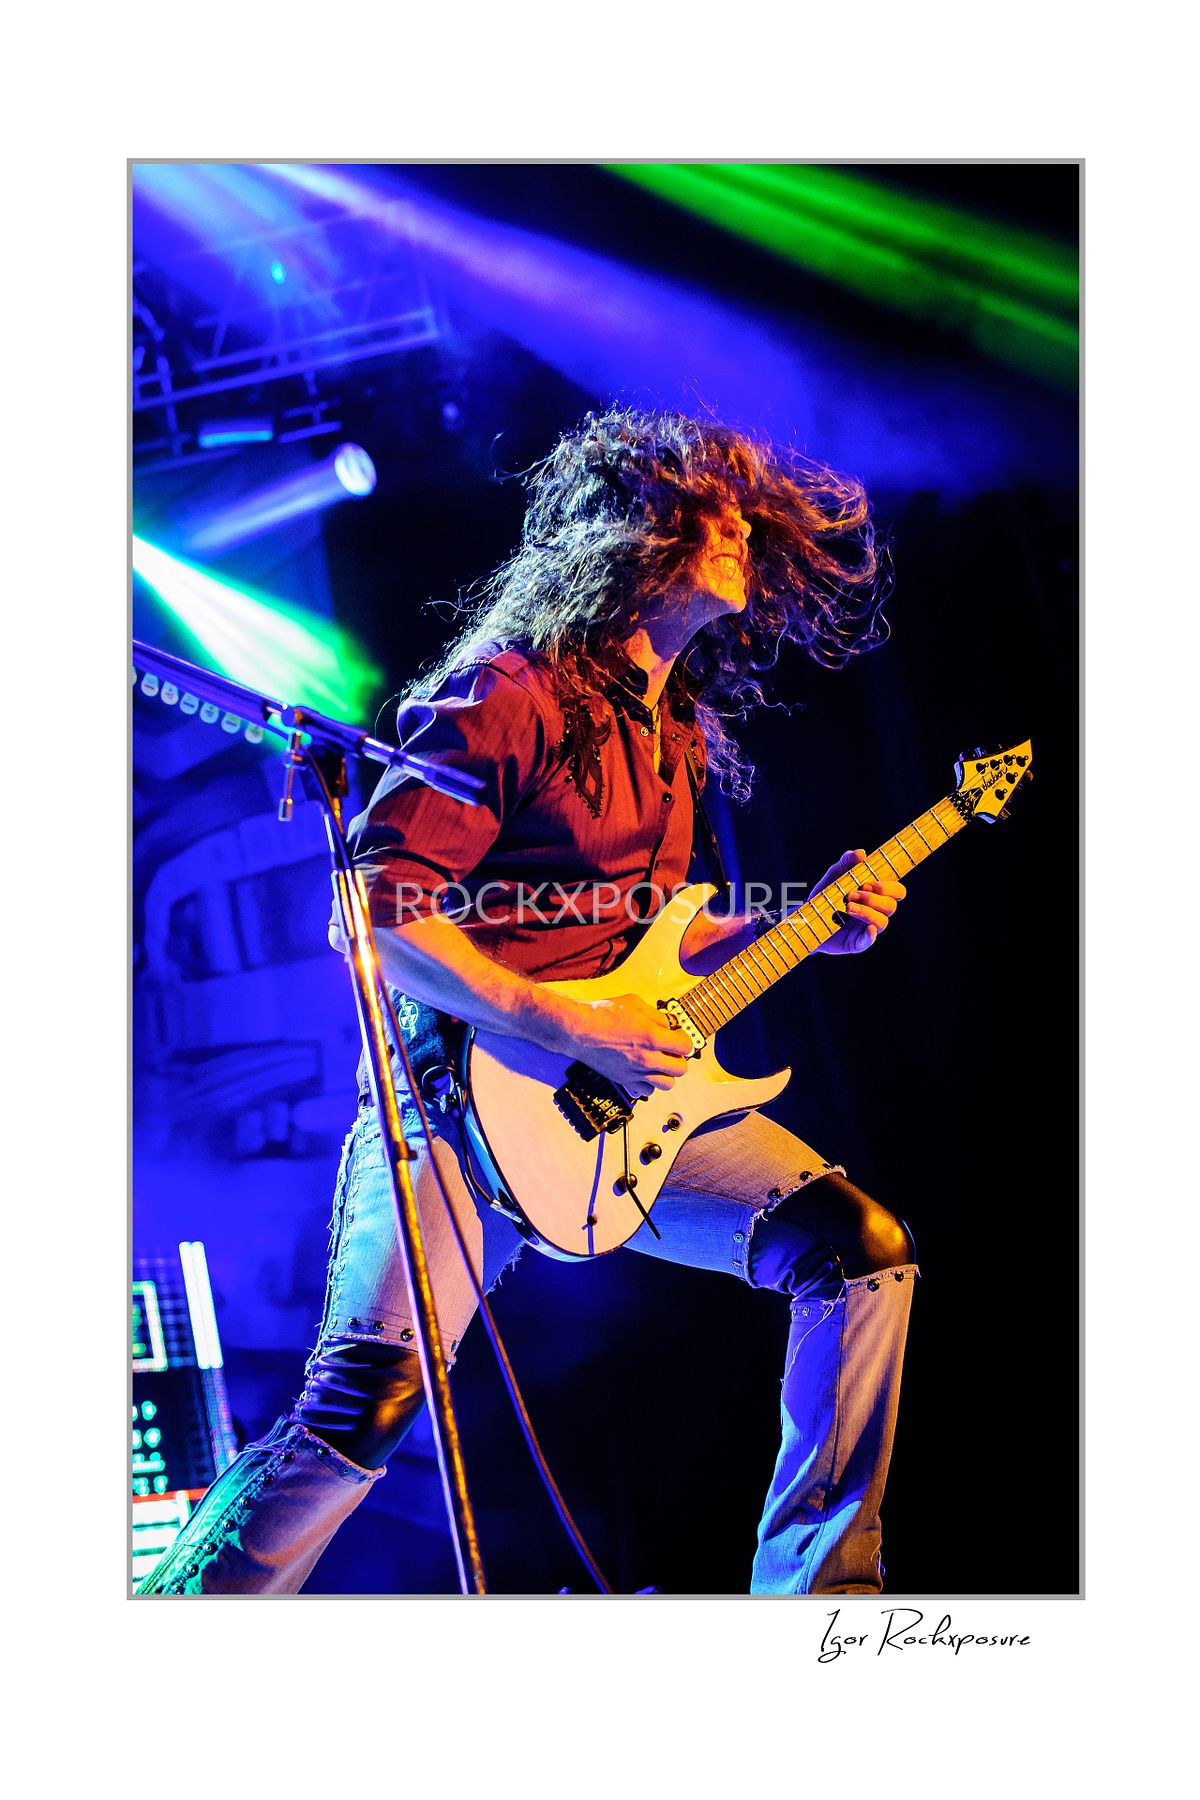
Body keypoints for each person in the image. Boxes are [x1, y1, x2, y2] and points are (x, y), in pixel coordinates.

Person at [138, 407, 917, 1597]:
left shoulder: (671, 730)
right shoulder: (509, 690)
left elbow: (645, 950)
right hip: (455, 1106)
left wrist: (801, 923)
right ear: (629, 532)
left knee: (858, 1253)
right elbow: (373, 916)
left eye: (741, 516)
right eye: (705, 511)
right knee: (365, 1404)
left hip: (612, 1115)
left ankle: (820, 1607)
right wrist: (566, 1025)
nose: (736, 533)